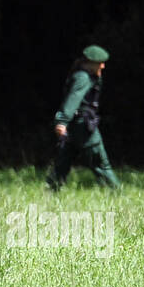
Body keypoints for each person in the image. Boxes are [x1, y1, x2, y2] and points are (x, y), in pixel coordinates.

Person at [46, 44, 120, 191]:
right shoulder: (83, 78)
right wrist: (62, 121)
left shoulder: (83, 75)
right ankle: (117, 193)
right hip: (83, 127)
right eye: (100, 63)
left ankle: (50, 193)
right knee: (100, 163)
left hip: (74, 126)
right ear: (89, 63)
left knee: (63, 162)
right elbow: (73, 99)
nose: (103, 66)